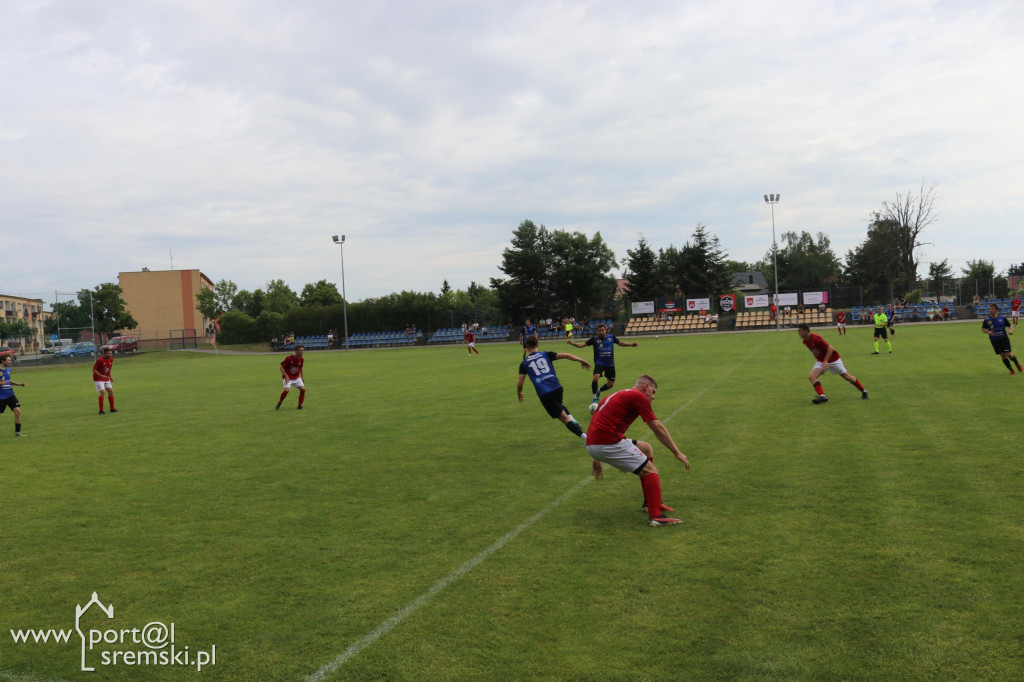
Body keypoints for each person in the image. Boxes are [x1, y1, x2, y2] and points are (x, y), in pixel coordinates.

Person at [586, 375, 690, 526]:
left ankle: (650, 502)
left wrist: (596, 456)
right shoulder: (638, 396)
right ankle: (656, 517)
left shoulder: (618, 394)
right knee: (651, 470)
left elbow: (598, 422)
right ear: (646, 387)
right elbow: (657, 427)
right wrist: (677, 452)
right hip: (607, 442)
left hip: (596, 442)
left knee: (646, 448)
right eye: (653, 392)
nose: (653, 397)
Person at [517, 335, 590, 441]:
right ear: (538, 344)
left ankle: (587, 439)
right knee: (561, 408)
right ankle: (576, 425)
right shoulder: (546, 354)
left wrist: (519, 393)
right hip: (557, 388)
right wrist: (581, 360)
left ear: (526, 346)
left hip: (546, 394)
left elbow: (520, 384)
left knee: (564, 419)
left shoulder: (524, 364)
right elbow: (567, 355)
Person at [566, 323, 638, 408]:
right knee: (595, 378)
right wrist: (573, 343)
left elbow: (620, 343)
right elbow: (582, 345)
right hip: (599, 363)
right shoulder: (595, 339)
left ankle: (599, 390)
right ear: (598, 331)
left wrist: (631, 345)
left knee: (610, 385)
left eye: (602, 330)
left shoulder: (611, 337)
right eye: (599, 331)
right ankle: (595, 397)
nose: (601, 332)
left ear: (606, 330)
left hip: (610, 364)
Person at [797, 323, 868, 403]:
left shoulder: (815, 338)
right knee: (812, 377)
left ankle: (864, 391)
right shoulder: (805, 341)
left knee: (847, 377)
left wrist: (825, 361)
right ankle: (822, 396)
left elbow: (830, 348)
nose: (798, 333)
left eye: (800, 331)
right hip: (822, 360)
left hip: (833, 359)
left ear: (806, 331)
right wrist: (822, 361)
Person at [981, 304, 1023, 375]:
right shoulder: (987, 320)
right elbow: (983, 329)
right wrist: (988, 332)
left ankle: (1017, 364)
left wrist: (1010, 330)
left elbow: (1010, 325)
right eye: (989, 309)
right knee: (1003, 355)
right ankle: (1011, 370)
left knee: (1008, 353)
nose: (990, 311)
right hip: (994, 340)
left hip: (1004, 338)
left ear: (996, 310)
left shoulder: (1002, 318)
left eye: (992, 309)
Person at [0, 354, 25, 436]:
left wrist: (18, 384)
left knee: (18, 412)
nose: (9, 361)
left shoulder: (8, 369)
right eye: (8, 360)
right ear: (2, 361)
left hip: (10, 395)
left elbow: (8, 380)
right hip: (1, 397)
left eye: (10, 360)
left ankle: (17, 433)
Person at [276, 344, 306, 410]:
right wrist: (286, 376)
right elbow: (281, 367)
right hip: (288, 378)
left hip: (296, 377)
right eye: (300, 350)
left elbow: (300, 368)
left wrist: (302, 376)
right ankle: (279, 402)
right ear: (296, 351)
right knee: (286, 390)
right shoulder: (289, 358)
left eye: (303, 350)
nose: (302, 352)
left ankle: (299, 406)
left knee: (303, 389)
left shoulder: (301, 359)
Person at [93, 347, 118, 414]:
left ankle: (112, 409)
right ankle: (101, 411)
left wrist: (110, 376)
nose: (110, 354)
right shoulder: (100, 360)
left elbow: (108, 369)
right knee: (103, 392)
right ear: (104, 354)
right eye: (108, 353)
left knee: (111, 391)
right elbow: (94, 370)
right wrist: (101, 376)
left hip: (106, 378)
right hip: (98, 378)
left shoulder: (111, 360)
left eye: (111, 353)